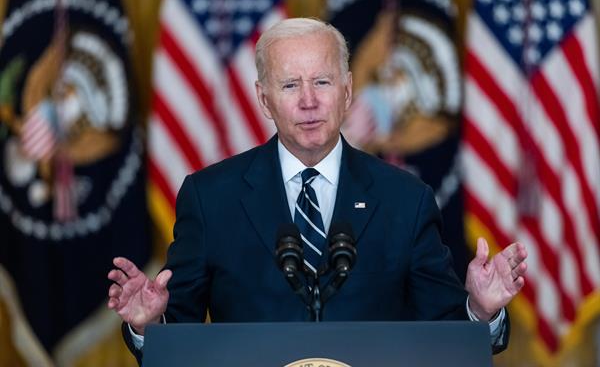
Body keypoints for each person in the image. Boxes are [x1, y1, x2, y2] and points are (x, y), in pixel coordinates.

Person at [107, 18, 527, 364]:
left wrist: (481, 310)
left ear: (346, 90)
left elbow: (446, 339)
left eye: (322, 83)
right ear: (264, 99)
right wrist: (149, 326)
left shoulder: (406, 200)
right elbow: (179, 342)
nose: (309, 101)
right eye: (290, 85)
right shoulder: (210, 197)